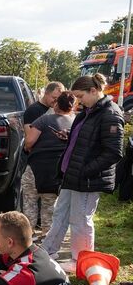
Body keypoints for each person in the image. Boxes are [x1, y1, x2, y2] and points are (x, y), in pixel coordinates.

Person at [41, 74, 124, 270]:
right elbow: (88, 140)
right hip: (73, 174)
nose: (78, 100)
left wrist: (85, 171)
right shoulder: (89, 111)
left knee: (80, 221)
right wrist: (69, 137)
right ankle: (47, 251)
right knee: (60, 214)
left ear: (93, 91)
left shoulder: (110, 113)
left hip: (86, 178)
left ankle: (81, 261)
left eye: (80, 96)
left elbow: (113, 153)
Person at [23, 91, 76, 238]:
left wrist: (29, 148)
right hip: (58, 169)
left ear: (57, 104)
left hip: (36, 167)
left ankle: (28, 234)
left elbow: (29, 142)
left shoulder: (44, 120)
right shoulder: (75, 122)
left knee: (30, 200)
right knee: (50, 204)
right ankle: (47, 237)